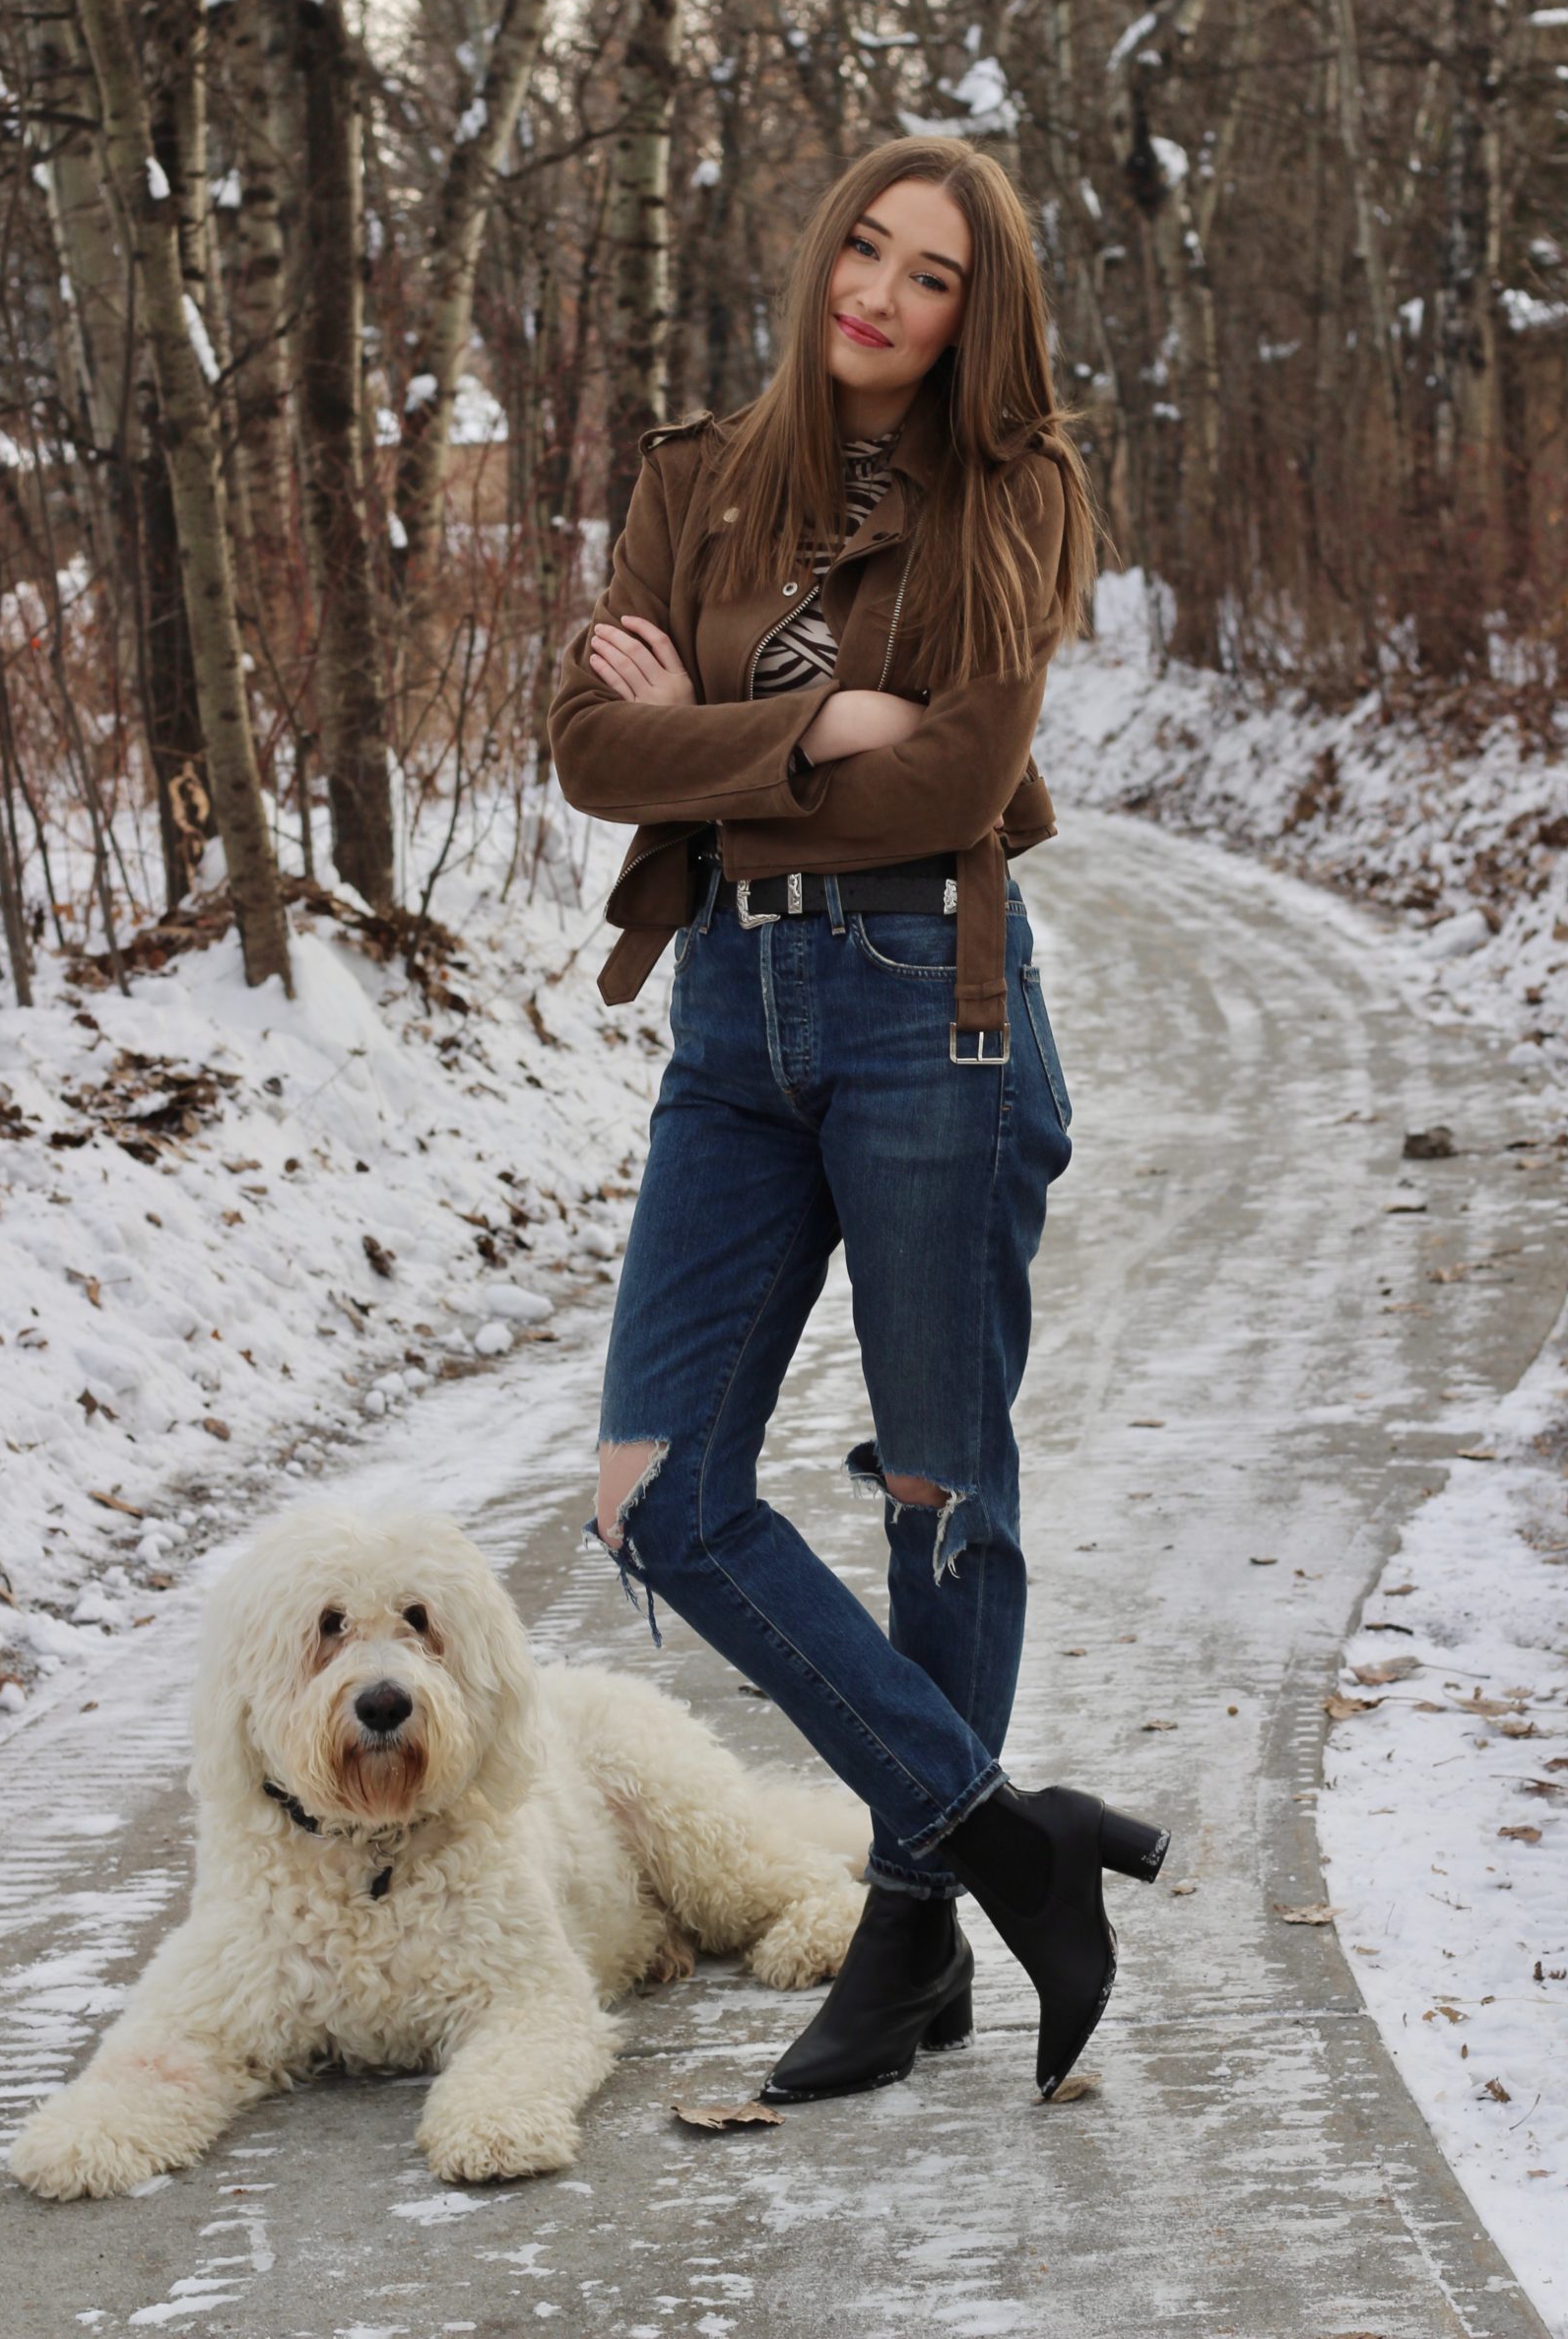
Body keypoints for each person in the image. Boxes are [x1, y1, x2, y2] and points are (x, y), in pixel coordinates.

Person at [547, 136, 1171, 2109]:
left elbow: (958, 785)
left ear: (973, 320)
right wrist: (812, 723)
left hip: (932, 1009)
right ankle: (1000, 1835)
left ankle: (908, 1939)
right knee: (655, 1484)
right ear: (822, 252)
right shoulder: (694, 479)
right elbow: (583, 747)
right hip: (732, 1010)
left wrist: (706, 733)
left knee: (936, 1487)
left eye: (931, 279)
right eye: (865, 253)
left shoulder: (1020, 489)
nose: (879, 297)